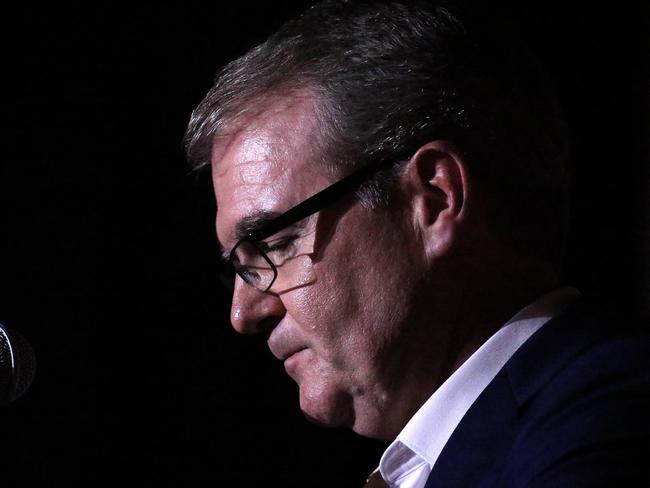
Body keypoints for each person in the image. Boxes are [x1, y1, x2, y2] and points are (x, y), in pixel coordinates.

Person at [184, 1, 650, 486]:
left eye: (275, 243)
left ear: (434, 198)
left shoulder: (606, 432)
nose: (243, 314)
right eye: (240, 267)